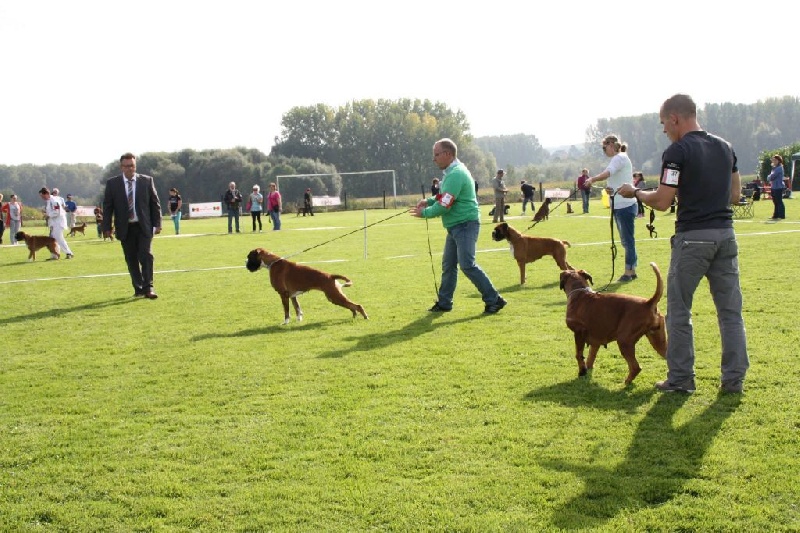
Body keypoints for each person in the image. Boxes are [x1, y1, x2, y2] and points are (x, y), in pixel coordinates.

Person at [617, 93, 749, 394]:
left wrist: (636, 193)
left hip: (693, 239)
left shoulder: (677, 152)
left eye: (664, 123)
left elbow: (662, 201)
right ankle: (734, 381)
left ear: (675, 118)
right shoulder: (726, 147)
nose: (664, 130)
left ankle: (681, 379)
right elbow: (734, 196)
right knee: (730, 313)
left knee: (679, 313)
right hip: (726, 236)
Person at [411, 138, 507, 314]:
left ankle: (494, 299)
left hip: (465, 225)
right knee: (449, 265)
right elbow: (443, 197)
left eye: (437, 154)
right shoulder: (451, 172)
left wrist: (424, 213)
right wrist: (428, 200)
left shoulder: (456, 174)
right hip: (456, 226)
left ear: (448, 154)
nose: (434, 159)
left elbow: (445, 205)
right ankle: (444, 302)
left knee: (467, 265)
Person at [102, 152, 162, 299]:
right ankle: (138, 287)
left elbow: (155, 203)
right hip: (125, 227)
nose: (130, 168)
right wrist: (107, 227)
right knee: (131, 258)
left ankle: (149, 288)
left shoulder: (146, 181)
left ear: (135, 166)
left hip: (143, 226)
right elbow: (108, 207)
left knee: (146, 255)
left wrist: (158, 223)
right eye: (126, 166)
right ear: (121, 167)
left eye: (132, 166)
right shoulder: (113, 184)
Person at [584, 135, 638, 282]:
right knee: (626, 241)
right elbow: (617, 179)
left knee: (628, 241)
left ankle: (629, 272)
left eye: (604, 147)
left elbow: (608, 173)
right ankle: (631, 269)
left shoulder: (618, 158)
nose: (604, 150)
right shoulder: (620, 158)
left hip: (624, 206)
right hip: (621, 205)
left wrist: (592, 179)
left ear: (612, 145)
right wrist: (610, 189)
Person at [39, 187, 74, 259]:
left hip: (58, 222)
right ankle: (54, 255)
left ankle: (69, 253)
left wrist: (48, 215)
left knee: (59, 238)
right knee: (52, 239)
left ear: (46, 194)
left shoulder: (54, 200)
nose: (42, 198)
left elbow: (57, 212)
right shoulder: (49, 201)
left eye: (42, 196)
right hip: (54, 223)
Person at [767, 154, 785, 220]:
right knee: (775, 201)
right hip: (773, 187)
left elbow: (772, 176)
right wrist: (769, 177)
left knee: (779, 201)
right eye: (773, 160)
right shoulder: (774, 168)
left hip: (778, 187)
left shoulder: (779, 168)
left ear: (778, 160)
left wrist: (769, 177)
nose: (773, 161)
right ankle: (776, 215)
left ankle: (781, 215)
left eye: (775, 160)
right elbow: (770, 177)